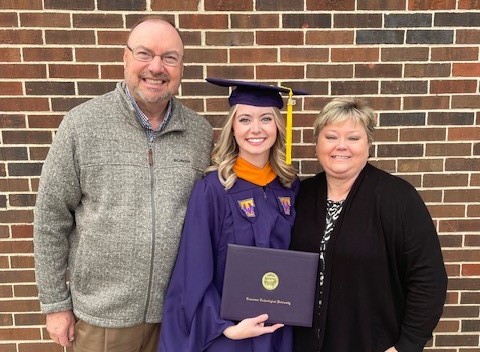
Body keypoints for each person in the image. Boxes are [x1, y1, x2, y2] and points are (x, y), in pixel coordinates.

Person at [33, 15, 213, 352]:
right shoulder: (82, 125)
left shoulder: (199, 133)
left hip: (176, 315)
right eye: (145, 54)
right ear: (125, 57)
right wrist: (56, 304)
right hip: (103, 320)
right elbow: (51, 218)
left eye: (169, 57)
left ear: (181, 66)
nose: (156, 67)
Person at [158, 78, 308, 352]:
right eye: (245, 120)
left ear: (278, 126)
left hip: (280, 330)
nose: (256, 129)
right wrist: (224, 326)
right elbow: (193, 269)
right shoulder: (214, 190)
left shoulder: (289, 187)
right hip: (232, 334)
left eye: (265, 118)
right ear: (233, 128)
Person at [289, 97, 448, 352]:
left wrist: (406, 345)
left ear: (368, 144)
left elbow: (429, 279)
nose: (341, 146)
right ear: (316, 143)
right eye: (331, 137)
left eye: (353, 138)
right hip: (304, 344)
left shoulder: (397, 198)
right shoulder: (301, 196)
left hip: (370, 343)